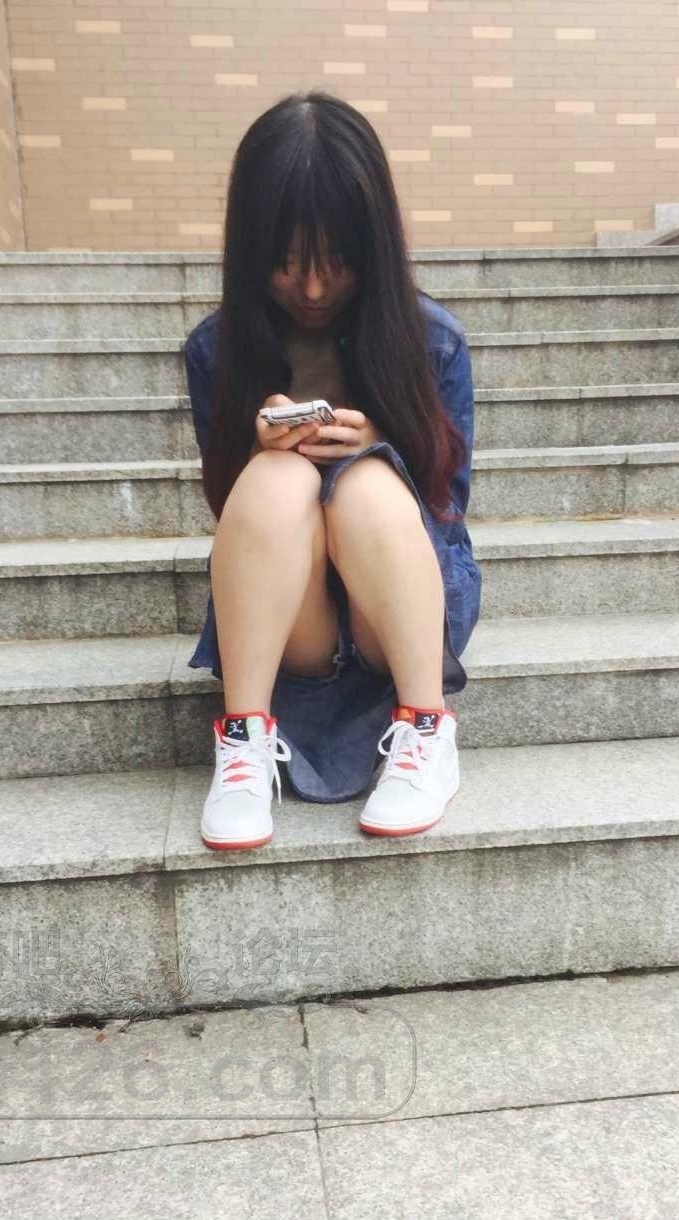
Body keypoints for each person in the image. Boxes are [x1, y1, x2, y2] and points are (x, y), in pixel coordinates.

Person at [182, 90, 482, 852]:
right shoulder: (217, 351)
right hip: (297, 621)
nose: (312, 289)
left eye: (336, 262)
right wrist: (255, 444)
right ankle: (243, 739)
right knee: (277, 479)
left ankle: (426, 727)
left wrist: (380, 442)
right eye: (285, 264)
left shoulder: (432, 342)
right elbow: (233, 523)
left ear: (372, 246)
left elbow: (447, 506)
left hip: (396, 615)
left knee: (367, 483)